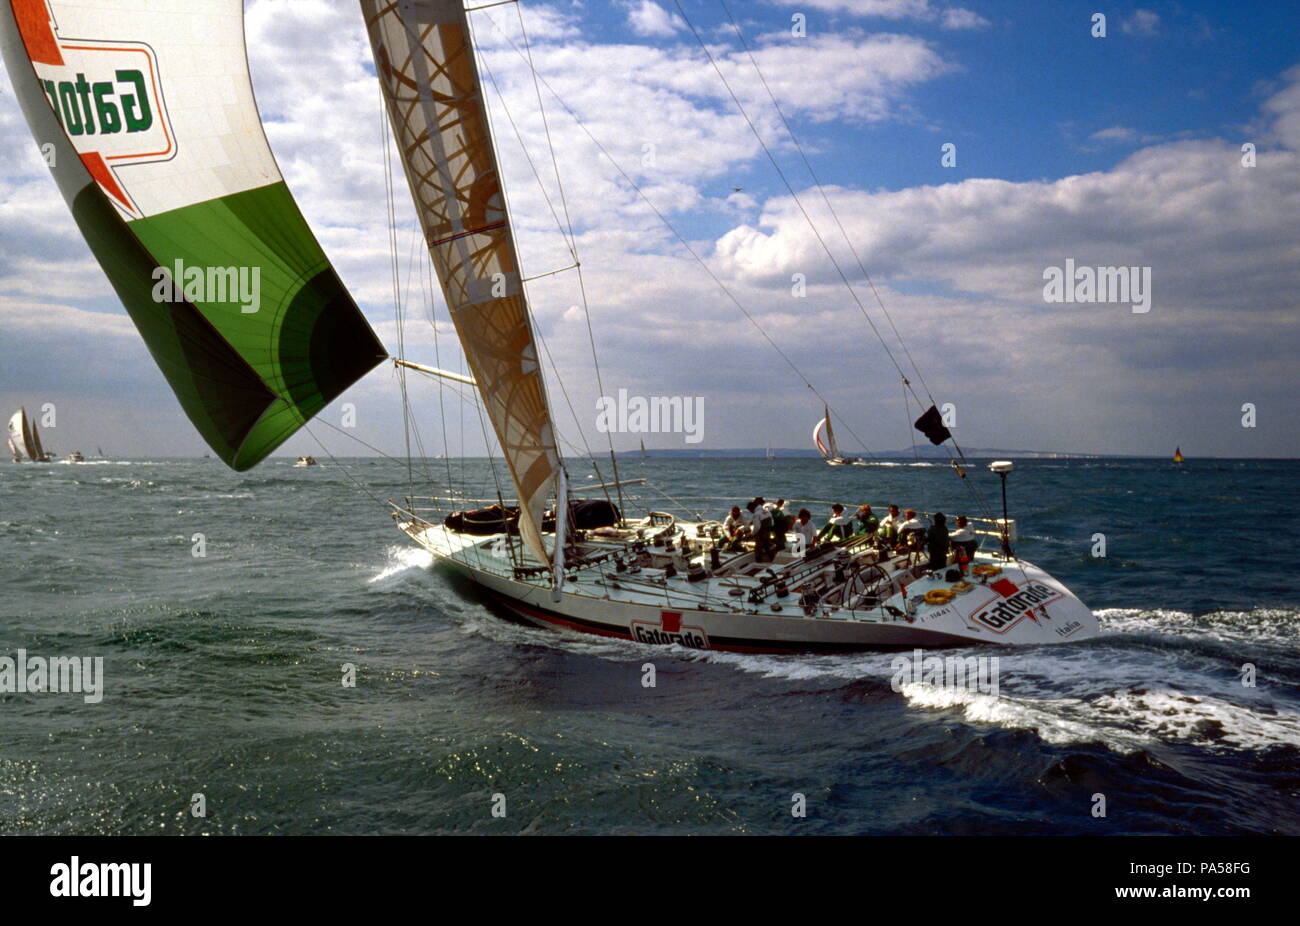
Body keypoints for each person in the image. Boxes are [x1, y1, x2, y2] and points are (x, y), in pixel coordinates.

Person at [747, 497, 775, 562]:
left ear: (752, 508)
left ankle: (758, 561)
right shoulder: (765, 510)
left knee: (758, 548)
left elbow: (757, 527)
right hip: (768, 532)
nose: (750, 512)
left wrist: (752, 534)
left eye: (750, 510)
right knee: (767, 546)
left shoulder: (756, 514)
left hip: (761, 533)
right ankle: (772, 560)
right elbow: (772, 521)